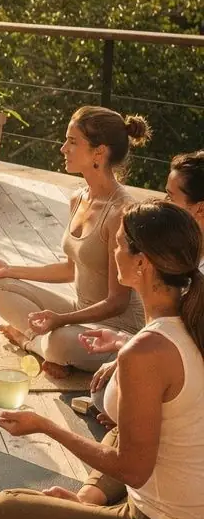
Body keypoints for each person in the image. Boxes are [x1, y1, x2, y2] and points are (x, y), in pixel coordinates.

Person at [0, 202, 204, 519]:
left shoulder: (148, 351)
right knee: (122, 427)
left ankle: (89, 502)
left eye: (119, 245)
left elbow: (133, 470)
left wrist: (45, 425)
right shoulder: (189, 320)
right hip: (181, 511)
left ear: (142, 263)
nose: (113, 252)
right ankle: (89, 498)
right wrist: (123, 342)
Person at [0, 106, 151, 375]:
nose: (62, 149)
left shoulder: (120, 212)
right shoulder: (78, 198)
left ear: (98, 152)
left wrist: (60, 321)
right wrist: (8, 269)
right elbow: (70, 269)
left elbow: (118, 302)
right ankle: (52, 351)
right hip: (80, 311)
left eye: (72, 141)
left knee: (59, 341)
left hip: (118, 329)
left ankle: (33, 344)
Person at [80, 150, 204, 409]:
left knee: (108, 395)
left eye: (171, 196)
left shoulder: (173, 253)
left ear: (200, 208)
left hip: (191, 386)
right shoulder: (177, 248)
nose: (165, 202)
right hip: (168, 356)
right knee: (105, 390)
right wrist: (125, 346)